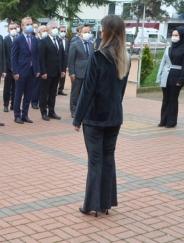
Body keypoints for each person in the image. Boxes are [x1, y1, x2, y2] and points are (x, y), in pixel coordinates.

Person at [72, 15, 131, 217]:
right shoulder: (125, 57)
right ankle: (106, 203)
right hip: (114, 116)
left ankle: (92, 205)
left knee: (95, 160)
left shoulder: (97, 56)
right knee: (108, 158)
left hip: (95, 117)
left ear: (107, 32)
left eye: (102, 29)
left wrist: (77, 118)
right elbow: (121, 92)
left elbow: (87, 91)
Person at [156, 27, 184, 128]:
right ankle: (163, 120)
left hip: (176, 77)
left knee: (173, 99)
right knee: (165, 99)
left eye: (176, 35)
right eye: (173, 35)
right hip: (166, 76)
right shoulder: (169, 47)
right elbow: (163, 62)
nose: (174, 37)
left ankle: (171, 122)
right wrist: (159, 77)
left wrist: (181, 79)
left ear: (181, 36)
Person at [11, 16, 40, 124]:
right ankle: (17, 115)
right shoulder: (18, 39)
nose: (30, 26)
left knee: (28, 95)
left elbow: (36, 55)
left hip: (32, 70)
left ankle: (25, 115)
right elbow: (13, 57)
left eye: (31, 24)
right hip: (21, 71)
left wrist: (37, 69)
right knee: (18, 94)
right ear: (22, 26)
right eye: (27, 24)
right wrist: (15, 72)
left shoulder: (34, 39)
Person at [38, 22, 66, 121]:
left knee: (53, 92)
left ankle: (51, 111)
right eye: (53, 27)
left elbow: (62, 55)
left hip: (57, 71)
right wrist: (43, 72)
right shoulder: (44, 41)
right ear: (48, 29)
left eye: (56, 27)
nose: (55, 29)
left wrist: (62, 69)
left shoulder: (59, 40)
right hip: (47, 72)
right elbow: (41, 58)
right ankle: (43, 112)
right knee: (44, 92)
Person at [68, 26, 94, 118]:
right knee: (76, 92)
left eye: (88, 32)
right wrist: (72, 73)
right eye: (85, 32)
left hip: (88, 73)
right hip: (78, 73)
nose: (87, 33)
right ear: (80, 33)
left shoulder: (91, 44)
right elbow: (70, 60)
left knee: (86, 92)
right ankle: (73, 110)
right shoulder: (75, 44)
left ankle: (84, 109)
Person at [3, 22, 19, 112]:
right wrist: (10, 66)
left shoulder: (19, 39)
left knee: (16, 87)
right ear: (8, 30)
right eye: (11, 29)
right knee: (7, 87)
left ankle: (14, 104)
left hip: (17, 68)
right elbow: (4, 55)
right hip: (9, 69)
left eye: (14, 28)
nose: (13, 30)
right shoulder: (5, 40)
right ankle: (6, 104)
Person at [31, 25, 46, 110]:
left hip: (44, 67)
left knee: (42, 87)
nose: (45, 32)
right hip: (37, 66)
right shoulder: (36, 41)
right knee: (36, 85)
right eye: (43, 31)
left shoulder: (46, 41)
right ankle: (34, 101)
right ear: (39, 32)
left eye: (46, 30)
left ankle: (42, 102)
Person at [57, 26, 69, 96]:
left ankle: (61, 89)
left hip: (64, 60)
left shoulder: (67, 40)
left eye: (64, 31)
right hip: (58, 60)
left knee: (63, 75)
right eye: (62, 31)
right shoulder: (57, 39)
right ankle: (55, 89)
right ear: (59, 31)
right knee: (57, 75)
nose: (63, 32)